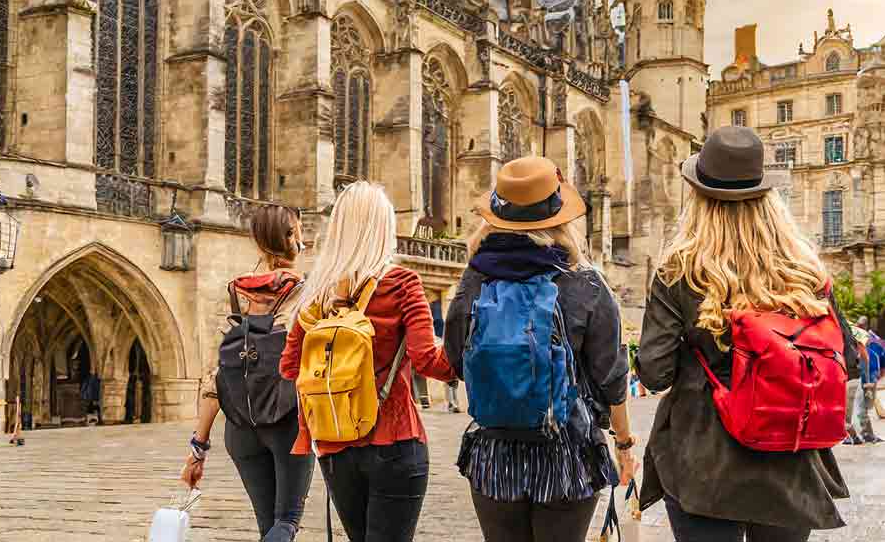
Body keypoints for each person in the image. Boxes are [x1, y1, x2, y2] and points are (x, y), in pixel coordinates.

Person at [637, 126, 859, 542]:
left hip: (702, 458)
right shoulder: (806, 272)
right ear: (767, 198)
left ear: (700, 198)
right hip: (790, 459)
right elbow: (848, 358)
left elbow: (654, 371)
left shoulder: (679, 272)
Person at [443, 156, 636, 542]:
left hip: (494, 453)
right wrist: (624, 444)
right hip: (568, 452)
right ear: (559, 218)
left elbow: (456, 359)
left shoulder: (475, 278)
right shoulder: (585, 282)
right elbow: (612, 377)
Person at [279, 182, 455, 542]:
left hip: (335, 444)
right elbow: (428, 361)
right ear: (383, 228)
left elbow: (290, 367)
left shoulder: (318, 292)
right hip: (395, 438)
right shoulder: (402, 283)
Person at [181, 205, 314, 542]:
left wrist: (198, 447)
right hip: (287, 422)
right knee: (286, 522)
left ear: (257, 242)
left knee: (267, 526)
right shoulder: (307, 292)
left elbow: (216, 377)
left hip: (240, 429)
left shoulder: (236, 292)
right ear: (293, 238)